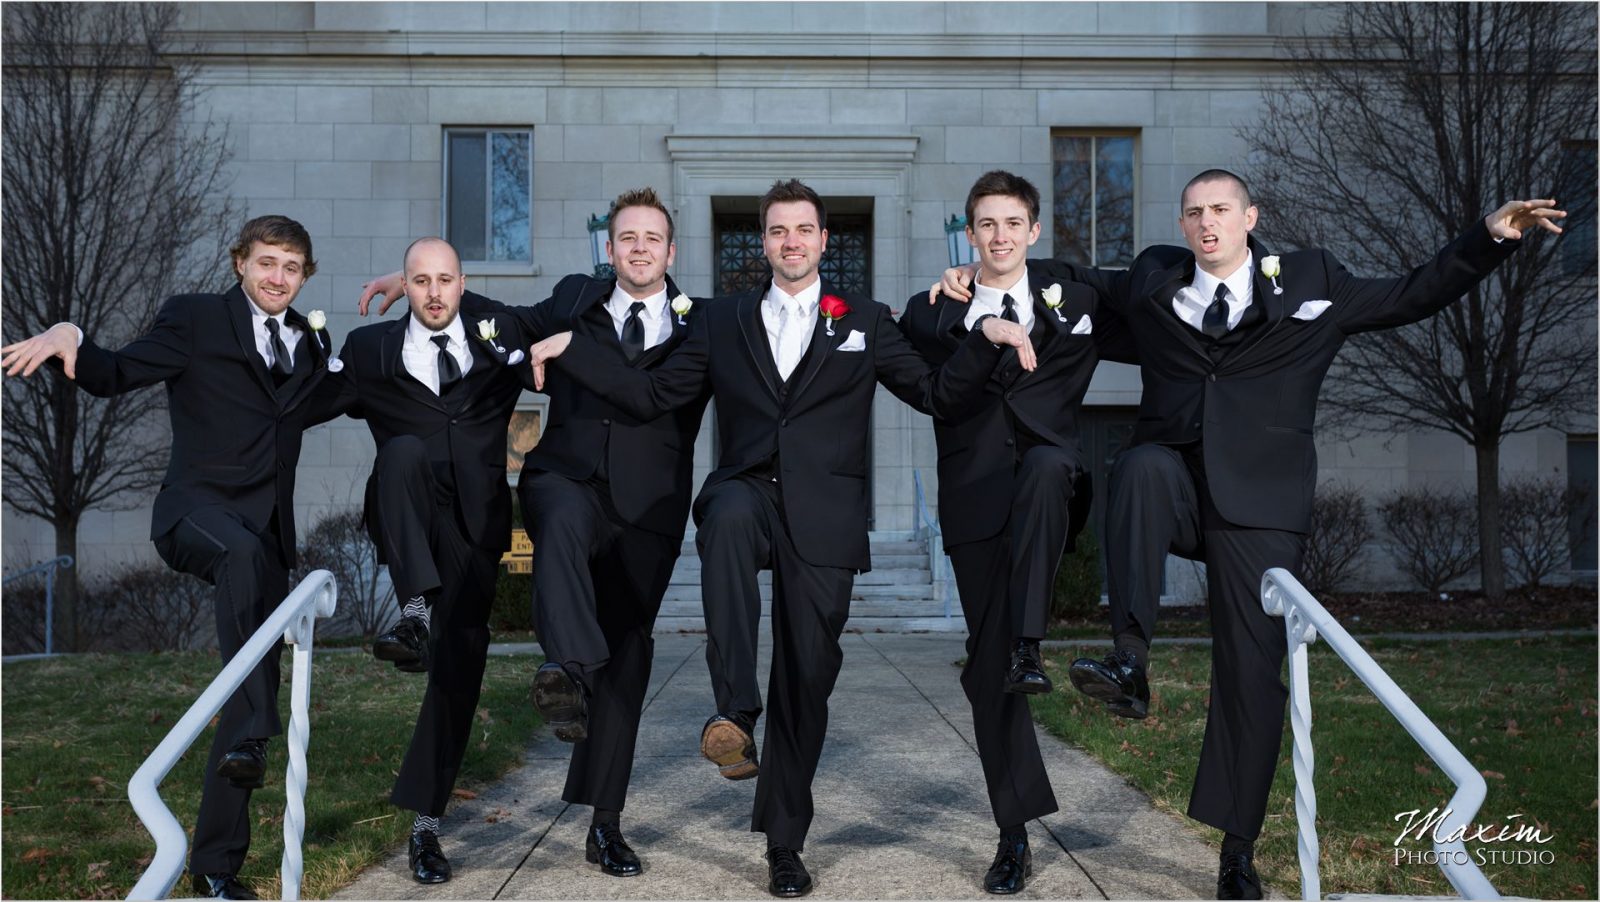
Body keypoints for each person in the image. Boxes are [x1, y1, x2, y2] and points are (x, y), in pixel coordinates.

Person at [934, 170, 1564, 899]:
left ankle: (1237, 850)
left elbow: (1412, 292)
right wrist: (974, 276)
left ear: (1249, 217)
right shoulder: (1151, 279)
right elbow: (1057, 276)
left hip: (1260, 504)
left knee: (1250, 672)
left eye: (1221, 210)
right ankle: (1129, 661)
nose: (1207, 223)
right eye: (1194, 211)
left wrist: (1490, 238)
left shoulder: (1311, 281)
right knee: (1137, 465)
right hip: (1173, 481)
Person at [526, 179, 1034, 897]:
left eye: (803, 230)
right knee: (726, 518)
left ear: (824, 241)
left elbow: (935, 394)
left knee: (806, 679)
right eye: (777, 231)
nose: (790, 242)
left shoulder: (864, 318)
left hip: (826, 516)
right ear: (762, 242)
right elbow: (651, 395)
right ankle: (734, 709)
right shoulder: (722, 320)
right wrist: (576, 345)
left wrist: (985, 338)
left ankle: (784, 843)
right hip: (749, 489)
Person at [356, 186, 713, 878]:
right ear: (609, 250)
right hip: (565, 479)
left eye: (652, 239)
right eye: (626, 238)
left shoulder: (701, 325)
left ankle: (603, 825)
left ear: (671, 252)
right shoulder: (574, 297)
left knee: (629, 659)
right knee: (563, 528)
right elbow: (500, 321)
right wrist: (426, 286)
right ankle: (564, 667)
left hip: (650, 510)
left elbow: (653, 393)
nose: (638, 248)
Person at [1, 216, 332, 900]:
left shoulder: (310, 342)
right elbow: (119, 371)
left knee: (247, 697)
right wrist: (74, 340)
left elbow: (354, 393)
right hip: (195, 514)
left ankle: (216, 867)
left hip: (265, 542)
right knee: (251, 685)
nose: (277, 277)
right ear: (240, 262)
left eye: (292, 267)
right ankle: (250, 732)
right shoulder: (194, 318)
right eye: (266, 262)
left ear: (305, 276)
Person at [899, 170, 1134, 894]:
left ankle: (1031, 646)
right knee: (986, 675)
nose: (999, 236)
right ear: (969, 235)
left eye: (1012, 224)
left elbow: (1160, 298)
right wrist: (978, 325)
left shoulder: (1078, 296)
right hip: (973, 504)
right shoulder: (936, 312)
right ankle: (1014, 834)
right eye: (985, 225)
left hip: (1048, 490)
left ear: (1034, 230)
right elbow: (924, 377)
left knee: (1043, 469)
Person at [308, 237, 536, 884]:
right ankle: (411, 614)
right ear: (403, 288)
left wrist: (420, 275)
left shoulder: (496, 338)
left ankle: (425, 826)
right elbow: (298, 404)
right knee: (402, 451)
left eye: (444, 281)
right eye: (419, 282)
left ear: (463, 285)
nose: (433, 293)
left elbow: (562, 312)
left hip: (475, 530)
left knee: (458, 671)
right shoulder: (370, 351)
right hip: (407, 513)